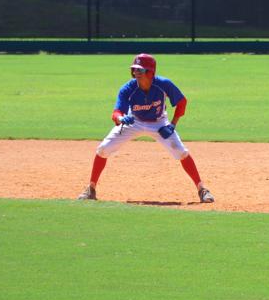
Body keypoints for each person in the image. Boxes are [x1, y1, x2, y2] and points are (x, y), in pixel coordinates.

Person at [77, 53, 214, 203]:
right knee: (103, 149)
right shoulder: (128, 88)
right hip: (134, 121)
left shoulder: (163, 84)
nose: (136, 73)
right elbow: (116, 112)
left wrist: (172, 125)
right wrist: (121, 118)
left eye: (140, 70)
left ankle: (202, 189)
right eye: (134, 69)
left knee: (181, 152)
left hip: (159, 122)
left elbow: (182, 102)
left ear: (151, 72)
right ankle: (91, 189)